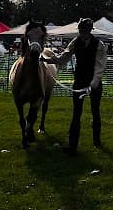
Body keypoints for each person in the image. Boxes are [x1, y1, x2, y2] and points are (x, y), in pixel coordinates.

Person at [43, 18, 107, 155]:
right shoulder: (75, 42)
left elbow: (100, 64)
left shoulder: (99, 44)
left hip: (94, 82)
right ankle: (72, 146)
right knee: (76, 113)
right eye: (81, 30)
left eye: (85, 30)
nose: (82, 32)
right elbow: (63, 57)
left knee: (95, 111)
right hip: (79, 81)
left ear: (90, 30)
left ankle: (97, 141)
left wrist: (94, 82)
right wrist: (47, 60)